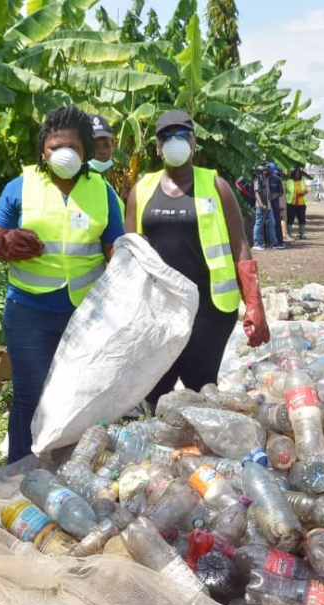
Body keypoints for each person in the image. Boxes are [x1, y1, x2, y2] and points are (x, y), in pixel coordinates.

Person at [0, 106, 124, 464]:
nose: (62, 154)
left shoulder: (103, 193)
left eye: (72, 148)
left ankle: (70, 468)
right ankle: (19, 471)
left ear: (86, 152)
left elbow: (115, 249)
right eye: (53, 147)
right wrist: (5, 242)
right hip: (29, 311)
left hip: (86, 314)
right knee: (30, 394)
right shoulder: (21, 187)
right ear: (42, 151)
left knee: (80, 396)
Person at [126, 110, 270, 405]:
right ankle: (162, 448)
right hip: (157, 310)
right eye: (167, 136)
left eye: (182, 134)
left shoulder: (216, 187)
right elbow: (128, 251)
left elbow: (239, 243)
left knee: (200, 387)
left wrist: (254, 304)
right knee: (156, 391)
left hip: (209, 309)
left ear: (193, 142)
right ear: (157, 146)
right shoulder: (141, 190)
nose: (174, 141)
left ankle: (200, 447)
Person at [252, 163, 276, 250]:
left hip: (268, 205)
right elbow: (256, 193)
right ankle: (256, 243)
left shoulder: (265, 178)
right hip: (261, 205)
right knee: (258, 224)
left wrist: (271, 196)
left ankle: (273, 243)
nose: (267, 171)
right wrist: (261, 205)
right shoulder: (257, 179)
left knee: (272, 223)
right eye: (265, 170)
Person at [285, 166, 309, 239]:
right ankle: (289, 234)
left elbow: (307, 190)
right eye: (296, 174)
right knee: (290, 218)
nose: (297, 175)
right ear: (293, 174)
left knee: (302, 218)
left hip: (301, 204)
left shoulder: (302, 182)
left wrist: (303, 192)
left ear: (300, 175)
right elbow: (284, 189)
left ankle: (302, 234)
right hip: (291, 203)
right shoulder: (288, 182)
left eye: (298, 174)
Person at [268, 163, 287, 249]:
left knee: (276, 222)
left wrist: (276, 195)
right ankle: (268, 242)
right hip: (265, 205)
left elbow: (281, 191)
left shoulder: (277, 179)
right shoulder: (263, 179)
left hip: (275, 205)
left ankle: (279, 241)